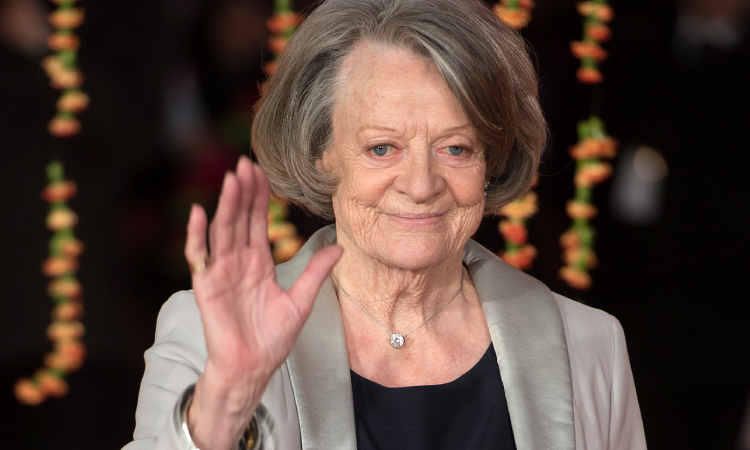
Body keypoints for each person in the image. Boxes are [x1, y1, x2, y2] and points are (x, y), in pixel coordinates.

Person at [123, 0, 647, 449]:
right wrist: (223, 405)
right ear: (321, 152)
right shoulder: (209, 335)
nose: (421, 184)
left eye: (455, 148)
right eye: (382, 148)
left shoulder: (589, 345)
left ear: (491, 160)